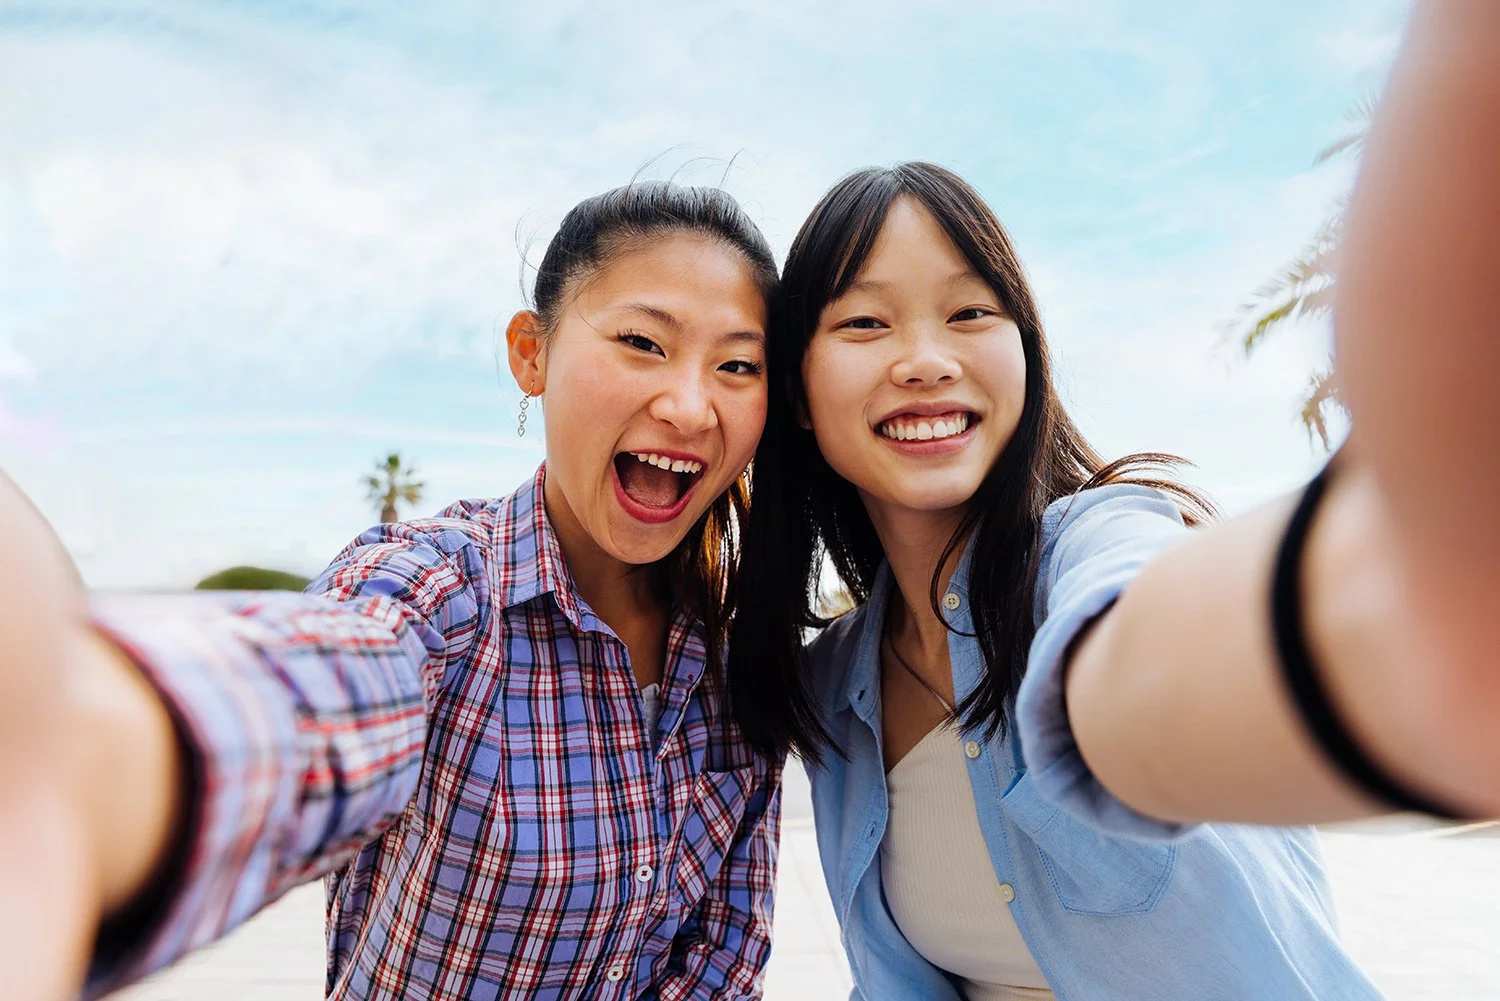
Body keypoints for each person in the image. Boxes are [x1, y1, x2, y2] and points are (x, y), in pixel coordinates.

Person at [0, 181, 785, 1001]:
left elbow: (725, 960)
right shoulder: (440, 592)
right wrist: (80, 751)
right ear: (532, 353)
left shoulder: (735, 664)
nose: (691, 405)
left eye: (736, 365)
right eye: (643, 342)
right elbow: (317, 694)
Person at [728, 161, 1386, 999]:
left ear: (1027, 355)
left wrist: (1124, 683)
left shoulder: (1106, 532)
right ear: (798, 394)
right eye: (865, 322)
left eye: (971, 312)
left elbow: (1130, 598)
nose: (926, 360)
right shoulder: (831, 686)